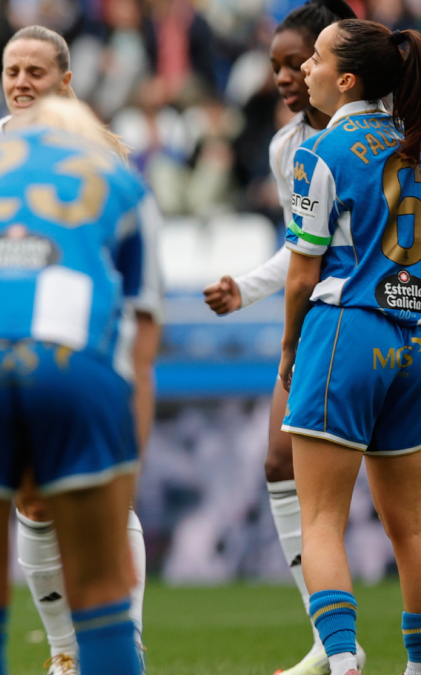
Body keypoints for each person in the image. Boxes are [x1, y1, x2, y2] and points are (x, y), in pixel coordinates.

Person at [0, 25, 162, 675]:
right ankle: (74, 649)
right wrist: (125, 457)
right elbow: (141, 326)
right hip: (74, 365)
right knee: (65, 523)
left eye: (35, 72)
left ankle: (92, 645)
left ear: (65, 81)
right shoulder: (114, 172)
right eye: (11, 70)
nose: (20, 83)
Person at [201, 3, 368, 674]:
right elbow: (302, 251)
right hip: (326, 318)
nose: (282, 77)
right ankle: (332, 642)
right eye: (274, 65)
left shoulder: (385, 129)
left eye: (297, 61)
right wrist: (246, 286)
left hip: (374, 318)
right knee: (278, 461)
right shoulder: (285, 147)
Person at [279, 18, 421, 675]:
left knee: (322, 519)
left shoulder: (320, 154)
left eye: (316, 58)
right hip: (412, 340)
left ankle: (341, 661)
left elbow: (303, 272)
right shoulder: (413, 143)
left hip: (346, 329)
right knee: (412, 527)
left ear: (346, 79)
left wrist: (289, 348)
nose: (303, 67)